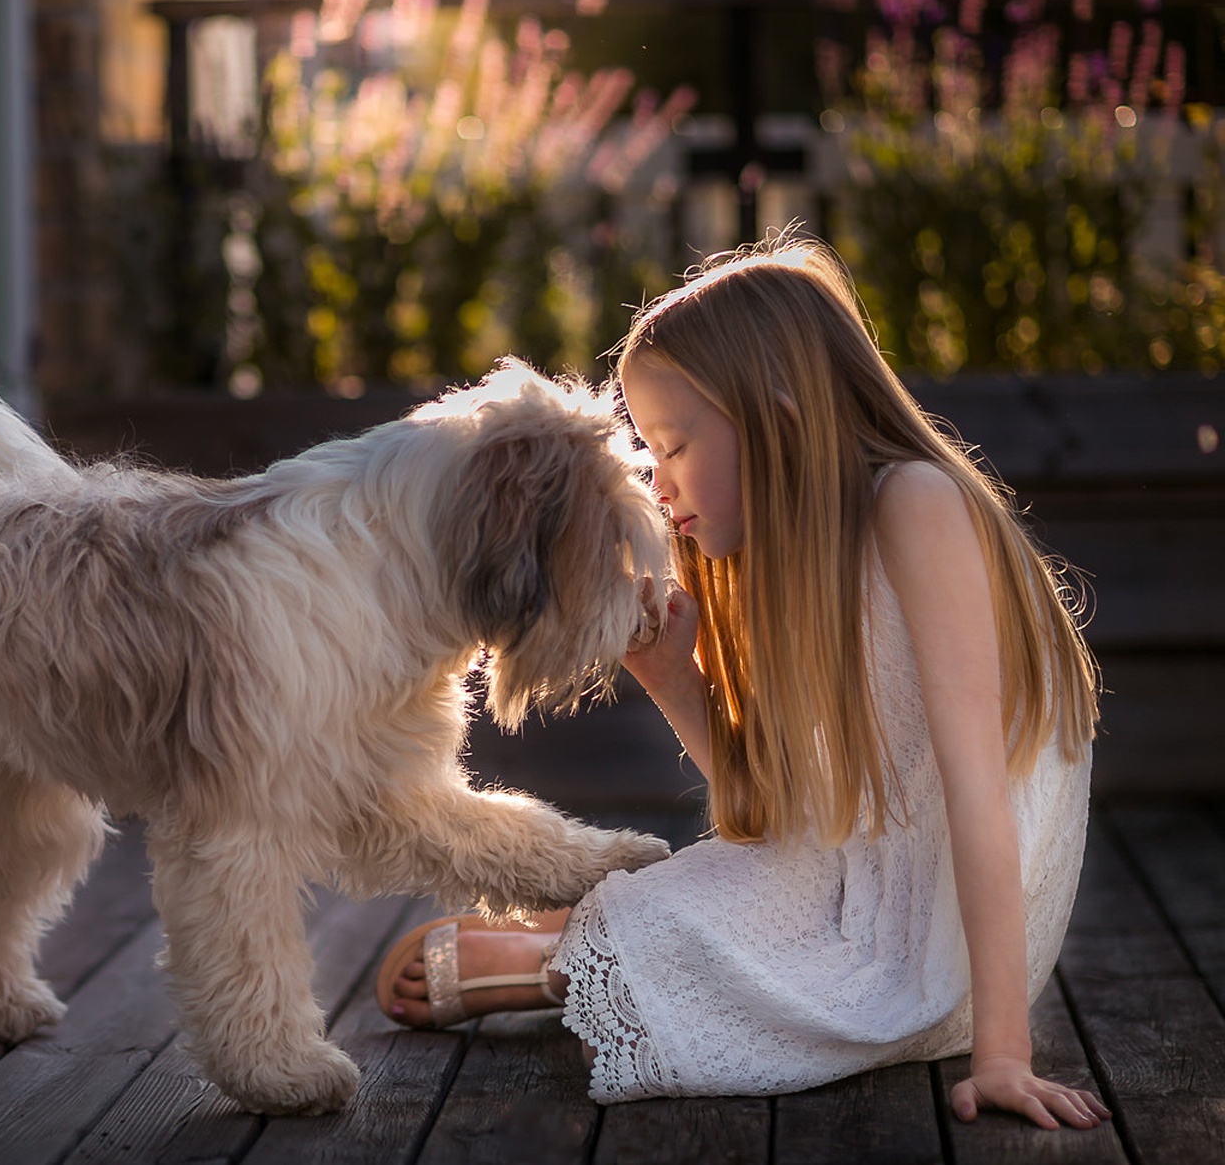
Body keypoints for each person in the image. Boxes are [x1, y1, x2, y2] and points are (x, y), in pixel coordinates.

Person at [376, 235, 1110, 1130]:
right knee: (745, 898)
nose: (657, 479)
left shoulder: (917, 505)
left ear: (781, 419)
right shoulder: (787, 561)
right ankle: (598, 942)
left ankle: (563, 963)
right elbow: (775, 820)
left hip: (955, 941)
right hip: (859, 889)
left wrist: (1003, 1050)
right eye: (648, 449)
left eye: (674, 443)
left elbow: (978, 792)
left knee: (814, 977)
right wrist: (673, 681)